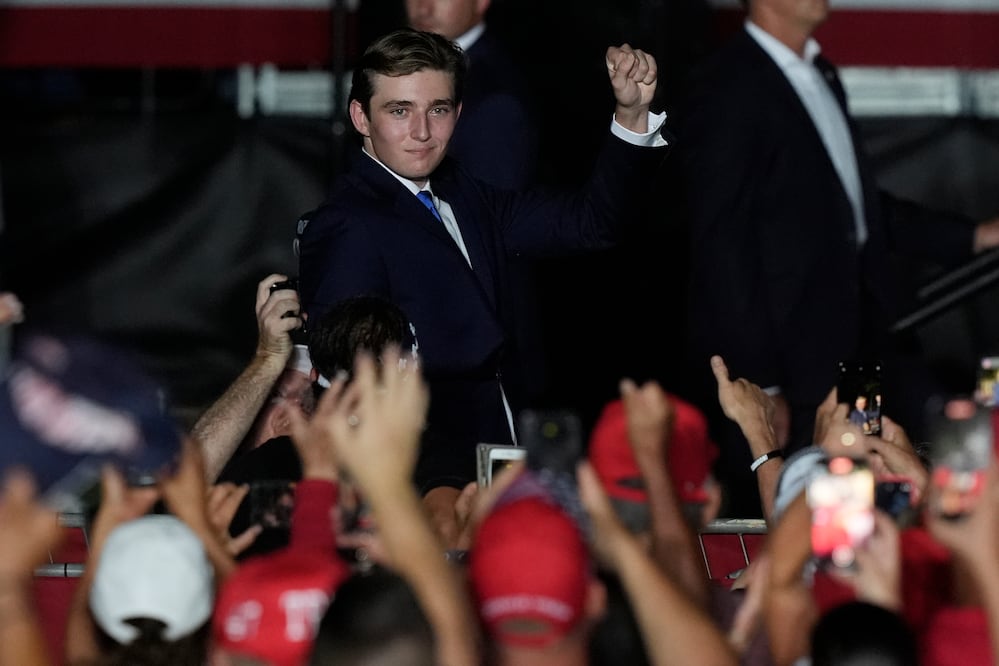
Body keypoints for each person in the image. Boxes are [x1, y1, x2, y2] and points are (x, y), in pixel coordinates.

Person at [296, 28, 668, 526]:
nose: (422, 131)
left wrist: (631, 116)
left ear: (459, 113)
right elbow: (351, 390)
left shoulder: (462, 192)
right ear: (361, 117)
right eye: (400, 111)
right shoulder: (348, 222)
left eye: (438, 110)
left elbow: (591, 223)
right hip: (427, 488)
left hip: (503, 455)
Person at [672, 0, 999, 515]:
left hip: (857, 353)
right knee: (804, 511)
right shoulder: (727, 85)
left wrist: (974, 235)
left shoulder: (820, 73)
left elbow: (858, 208)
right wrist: (764, 383)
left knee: (869, 497)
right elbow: (721, 245)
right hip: (794, 372)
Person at [405, 0, 538, 191]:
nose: (424, 8)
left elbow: (488, 204)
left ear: (480, 2)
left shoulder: (496, 98)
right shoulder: (396, 66)